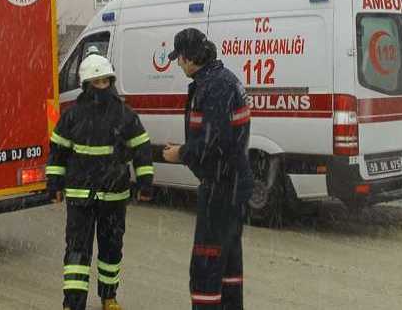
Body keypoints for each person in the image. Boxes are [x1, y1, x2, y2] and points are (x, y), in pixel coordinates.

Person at [46, 50, 155, 310]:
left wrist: (145, 182)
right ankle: (73, 304)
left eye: (106, 81)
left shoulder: (124, 114)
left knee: (111, 251)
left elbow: (142, 148)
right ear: (86, 84)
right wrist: (54, 185)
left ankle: (109, 297)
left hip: (114, 197)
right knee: (76, 253)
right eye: (97, 82)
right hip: (80, 198)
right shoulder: (72, 116)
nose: (103, 86)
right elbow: (57, 152)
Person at [162, 28, 253, 310]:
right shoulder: (223, 80)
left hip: (221, 186)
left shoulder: (213, 86)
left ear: (191, 58)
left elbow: (217, 140)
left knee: (206, 262)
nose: (178, 64)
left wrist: (182, 153)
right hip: (233, 182)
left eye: (180, 58)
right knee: (228, 262)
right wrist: (192, 146)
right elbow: (218, 135)